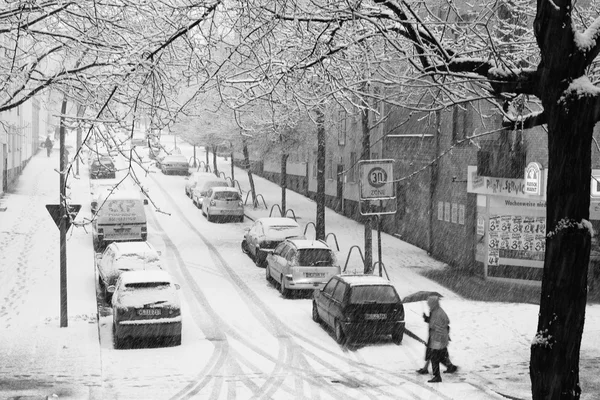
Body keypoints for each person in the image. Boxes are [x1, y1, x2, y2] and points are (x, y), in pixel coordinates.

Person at [421, 295, 458, 383]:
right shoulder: (436, 311)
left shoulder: (437, 313)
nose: (428, 305)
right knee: (441, 356)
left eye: (429, 304)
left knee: (434, 358)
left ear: (433, 303)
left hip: (437, 339)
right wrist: (426, 318)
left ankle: (437, 376)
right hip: (439, 338)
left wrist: (438, 339)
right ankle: (450, 367)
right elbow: (438, 322)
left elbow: (437, 326)